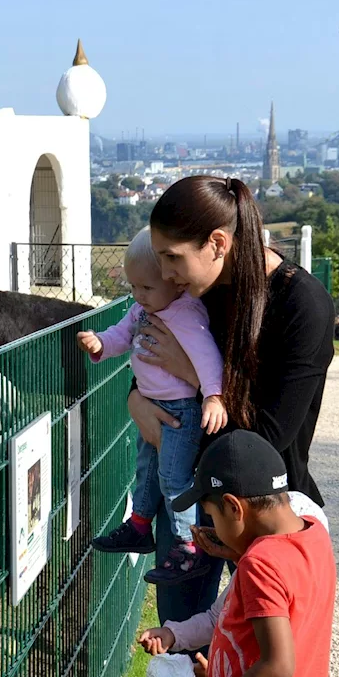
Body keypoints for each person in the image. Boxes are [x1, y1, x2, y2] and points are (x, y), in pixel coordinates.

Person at [127, 175, 335, 626]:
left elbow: (270, 435)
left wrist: (192, 375)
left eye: (172, 258)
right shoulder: (198, 293)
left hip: (265, 517)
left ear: (218, 243)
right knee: (180, 646)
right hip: (191, 504)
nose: (164, 275)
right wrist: (135, 401)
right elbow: (153, 361)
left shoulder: (303, 305)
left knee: (263, 670)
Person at [143, 431, 336, 677]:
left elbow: (279, 665)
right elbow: (291, 596)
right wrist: (238, 553)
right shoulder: (314, 534)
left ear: (234, 507)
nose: (215, 528)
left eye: (213, 516)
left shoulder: (261, 564)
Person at [78, 229, 229, 586]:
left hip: (180, 411)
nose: (138, 296)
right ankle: (140, 525)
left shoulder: (186, 314)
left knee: (175, 478)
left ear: (175, 283)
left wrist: (213, 394)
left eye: (146, 288)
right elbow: (120, 335)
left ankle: (187, 545)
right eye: (133, 288)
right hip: (153, 403)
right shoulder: (143, 308)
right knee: (146, 468)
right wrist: (100, 343)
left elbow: (208, 358)